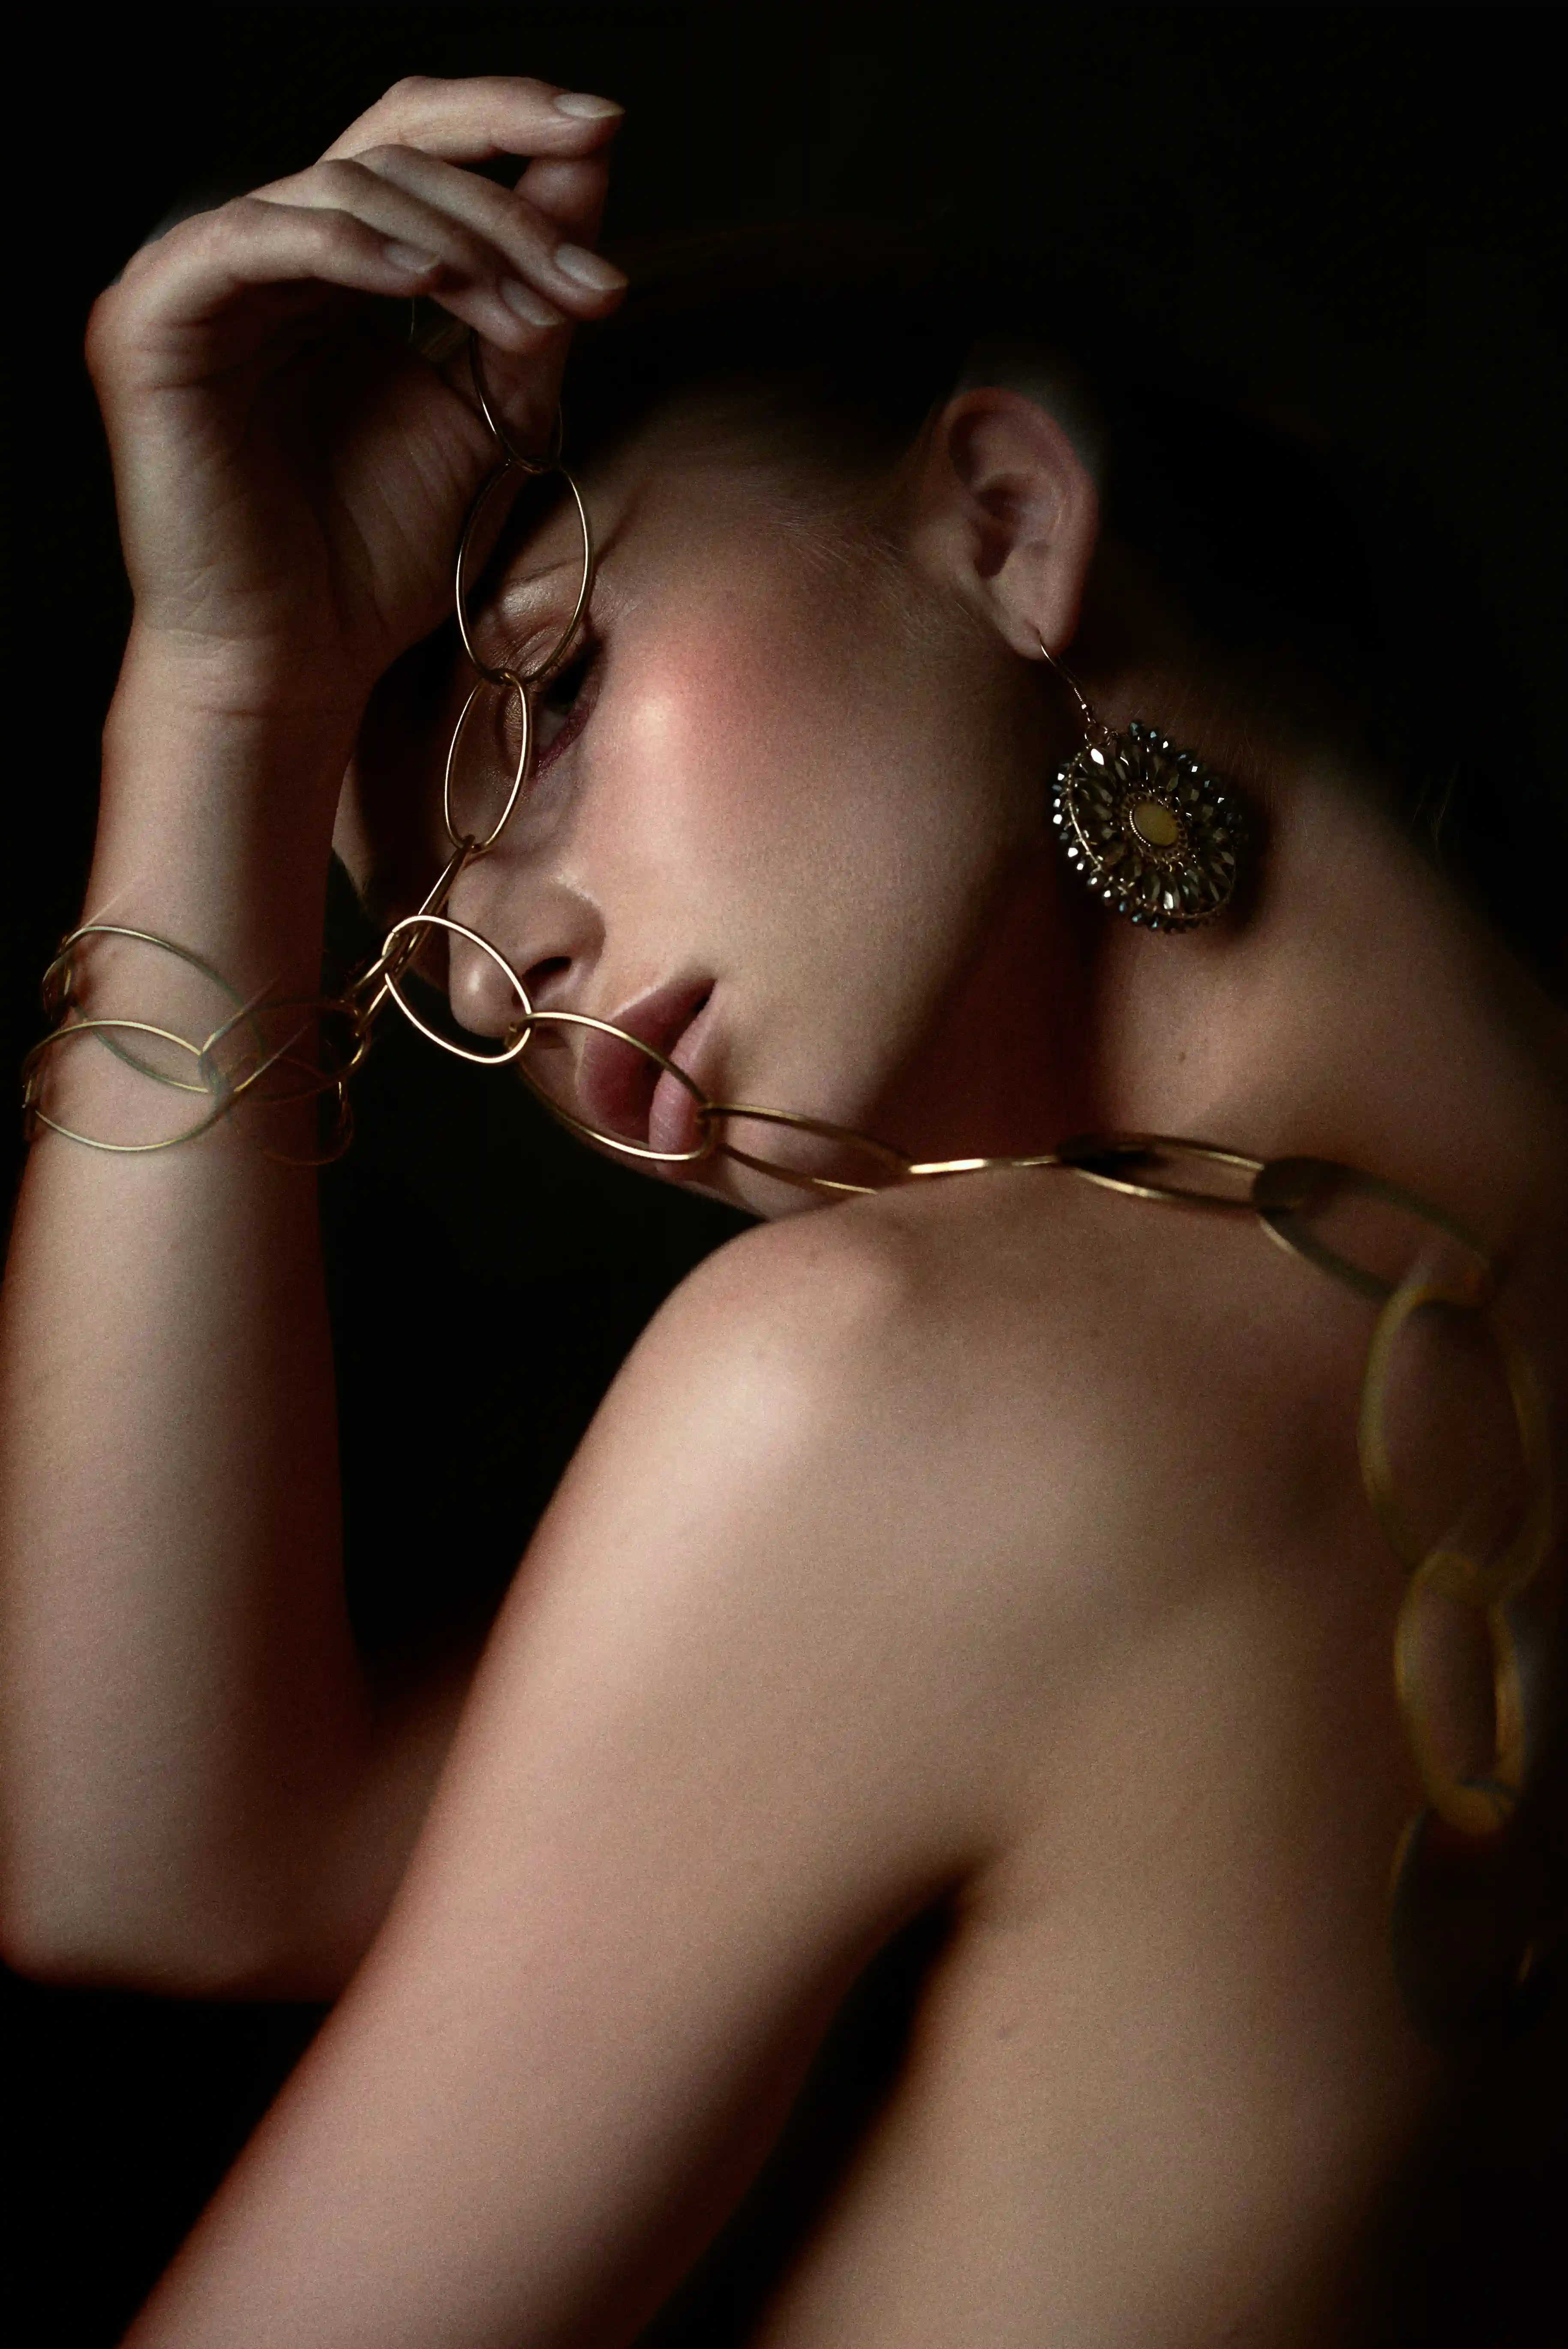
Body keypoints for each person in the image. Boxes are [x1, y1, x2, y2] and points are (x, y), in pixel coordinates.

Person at [1, 69, 1563, 2348]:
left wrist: (214, 702)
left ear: (1007, 517)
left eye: (538, 698)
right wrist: (231, 694)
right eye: (420, 938)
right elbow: (176, 1870)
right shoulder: (1270, 1343)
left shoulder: (881, 1388)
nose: (488, 974)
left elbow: (156, 1883)